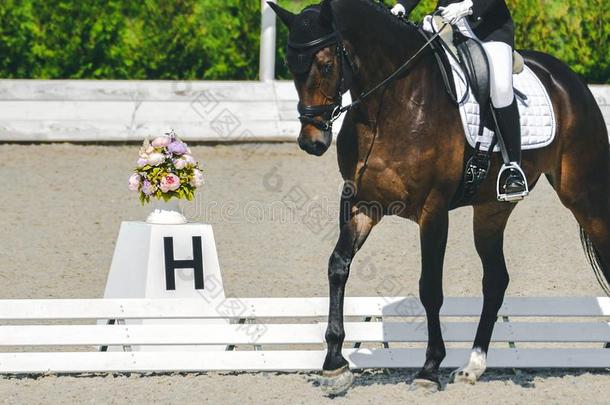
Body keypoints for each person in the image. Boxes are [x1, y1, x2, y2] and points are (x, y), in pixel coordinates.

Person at [392, 0, 528, 200]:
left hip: (488, 31)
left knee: (500, 87)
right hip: (446, 24)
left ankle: (512, 168)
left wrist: (468, 6)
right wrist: (402, 6)